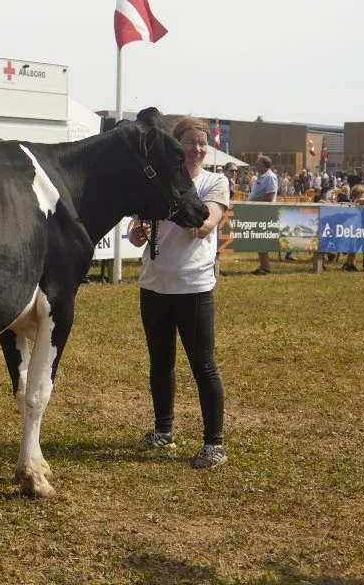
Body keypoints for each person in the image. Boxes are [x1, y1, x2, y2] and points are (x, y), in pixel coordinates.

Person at [127, 116, 229, 469]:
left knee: (203, 365)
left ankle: (214, 442)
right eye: (190, 142)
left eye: (202, 142)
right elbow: (134, 233)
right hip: (153, 285)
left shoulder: (215, 182)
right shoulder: (155, 180)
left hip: (193, 287)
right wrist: (138, 232)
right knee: (160, 363)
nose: (197, 148)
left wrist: (170, 204)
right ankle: (162, 430)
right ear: (176, 146)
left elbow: (205, 224)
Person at [248, 155, 278, 275]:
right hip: (257, 212)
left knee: (262, 240)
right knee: (259, 240)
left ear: (264, 165)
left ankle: (266, 267)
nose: (255, 165)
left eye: (257, 163)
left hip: (264, 213)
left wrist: (252, 202)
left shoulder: (270, 177)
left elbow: (270, 197)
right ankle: (263, 265)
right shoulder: (260, 177)